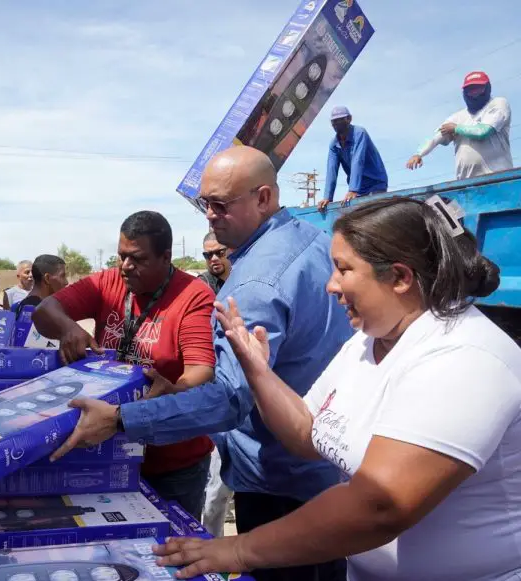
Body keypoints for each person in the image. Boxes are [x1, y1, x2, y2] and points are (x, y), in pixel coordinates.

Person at [154, 196, 521, 581]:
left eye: (343, 269)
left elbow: (380, 504)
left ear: (399, 277)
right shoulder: (367, 342)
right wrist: (259, 372)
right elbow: (306, 433)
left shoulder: (463, 358)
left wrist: (239, 549)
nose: (331, 285)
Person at [48, 146, 353, 581]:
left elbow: (229, 397)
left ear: (264, 198)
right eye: (204, 203)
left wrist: (120, 419)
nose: (209, 215)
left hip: (279, 485)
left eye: (220, 205)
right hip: (323, 472)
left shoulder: (256, 282)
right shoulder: (314, 243)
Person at [33, 211, 217, 520]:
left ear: (166, 257)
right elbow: (44, 310)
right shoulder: (108, 282)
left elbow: (201, 367)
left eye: (138, 259)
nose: (126, 267)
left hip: (172, 461)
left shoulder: (193, 295)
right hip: (111, 451)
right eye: (121, 257)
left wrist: (176, 390)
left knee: (172, 548)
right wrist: (68, 328)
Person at [406, 71, 513, 180]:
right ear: (465, 93)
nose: (474, 93)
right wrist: (419, 154)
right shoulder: (457, 117)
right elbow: (435, 137)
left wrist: (456, 128)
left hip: (498, 178)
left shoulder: (498, 104)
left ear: (487, 88)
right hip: (465, 183)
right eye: (470, 90)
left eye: (478, 89)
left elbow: (483, 132)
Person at [197, 230, 234, 538]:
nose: (213, 259)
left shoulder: (248, 282)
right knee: (216, 485)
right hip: (215, 394)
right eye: (207, 255)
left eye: (218, 253)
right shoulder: (201, 289)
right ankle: (213, 543)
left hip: (249, 392)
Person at [318, 106, 388, 211]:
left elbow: (358, 160)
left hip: (375, 183)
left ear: (349, 119)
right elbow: (331, 170)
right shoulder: (334, 145)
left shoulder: (359, 133)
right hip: (359, 189)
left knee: (373, 215)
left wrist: (352, 189)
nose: (337, 123)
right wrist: (327, 197)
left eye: (341, 119)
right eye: (334, 121)